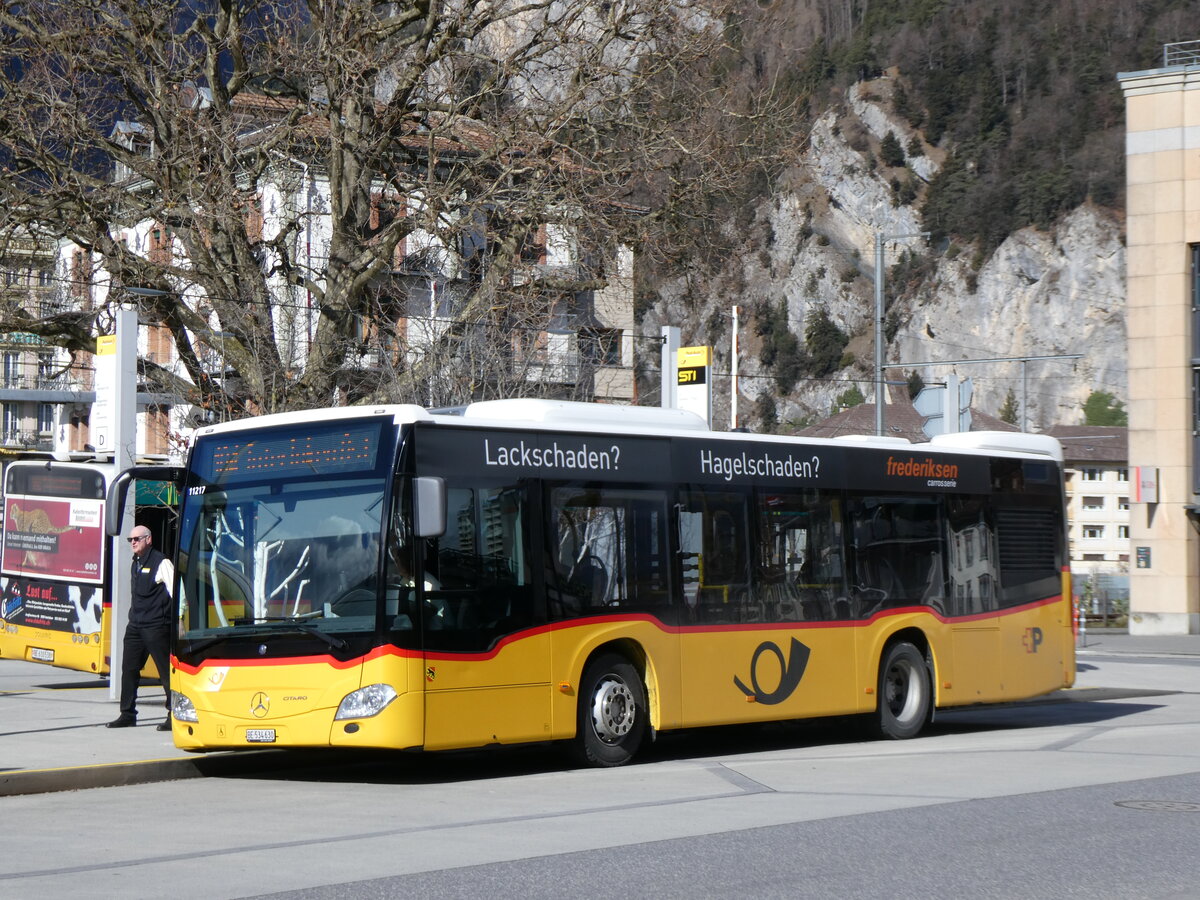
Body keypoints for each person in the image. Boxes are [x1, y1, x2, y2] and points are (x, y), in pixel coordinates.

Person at [106, 526, 174, 731]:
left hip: (156, 626)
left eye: (137, 538)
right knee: (129, 670)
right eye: (130, 539)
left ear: (149, 539)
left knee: (165, 672)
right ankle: (127, 714)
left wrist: (178, 621)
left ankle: (174, 714)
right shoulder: (135, 562)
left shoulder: (161, 562)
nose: (133, 542)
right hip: (135, 625)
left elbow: (177, 593)